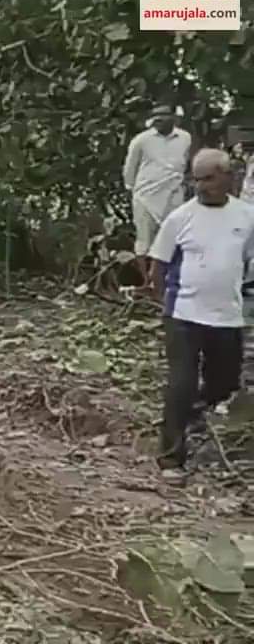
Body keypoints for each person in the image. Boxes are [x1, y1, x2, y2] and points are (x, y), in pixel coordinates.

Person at [148, 148, 254, 483]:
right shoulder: (180, 217)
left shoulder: (246, 216)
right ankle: (170, 458)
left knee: (224, 383)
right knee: (181, 382)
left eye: (208, 178)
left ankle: (194, 417)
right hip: (184, 314)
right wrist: (165, 305)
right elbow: (158, 266)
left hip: (227, 315)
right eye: (196, 179)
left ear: (228, 176)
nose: (201, 186)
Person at [125, 105, 192, 283]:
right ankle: (147, 282)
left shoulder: (185, 138)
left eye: (163, 115)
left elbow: (187, 164)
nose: (159, 119)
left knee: (172, 239)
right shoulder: (141, 140)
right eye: (155, 116)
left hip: (173, 195)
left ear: (173, 118)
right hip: (145, 196)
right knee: (144, 240)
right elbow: (129, 171)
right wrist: (134, 191)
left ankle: (169, 281)